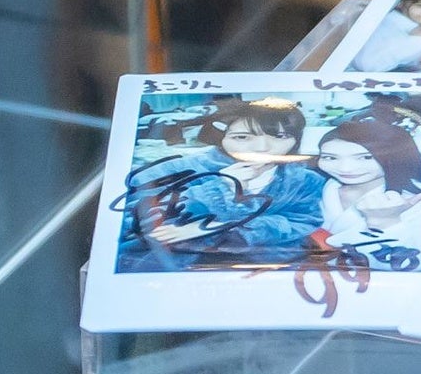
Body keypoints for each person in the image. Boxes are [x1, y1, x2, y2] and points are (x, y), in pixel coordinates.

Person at [124, 99, 330, 268]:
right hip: (176, 272)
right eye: (242, 137)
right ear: (220, 136)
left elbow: (301, 222)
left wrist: (218, 228)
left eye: (281, 136)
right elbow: (131, 221)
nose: (262, 147)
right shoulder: (176, 169)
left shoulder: (304, 179)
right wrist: (218, 188)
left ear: (296, 140)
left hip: (270, 272)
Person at [310, 112, 421, 270]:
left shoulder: (417, 204)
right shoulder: (311, 190)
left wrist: (386, 222)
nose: (345, 168)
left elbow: (418, 267)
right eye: (330, 158)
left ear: (395, 157)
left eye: (365, 157)